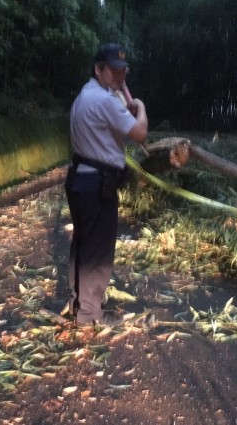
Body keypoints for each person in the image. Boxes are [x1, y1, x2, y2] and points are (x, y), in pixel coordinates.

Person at [63, 43, 148, 328]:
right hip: (96, 184)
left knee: (84, 243)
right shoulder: (105, 101)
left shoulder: (85, 96)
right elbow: (140, 133)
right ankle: (89, 315)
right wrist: (141, 108)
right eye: (113, 69)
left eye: (123, 70)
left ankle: (80, 304)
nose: (120, 75)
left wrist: (126, 106)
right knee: (97, 250)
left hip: (81, 179)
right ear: (98, 69)